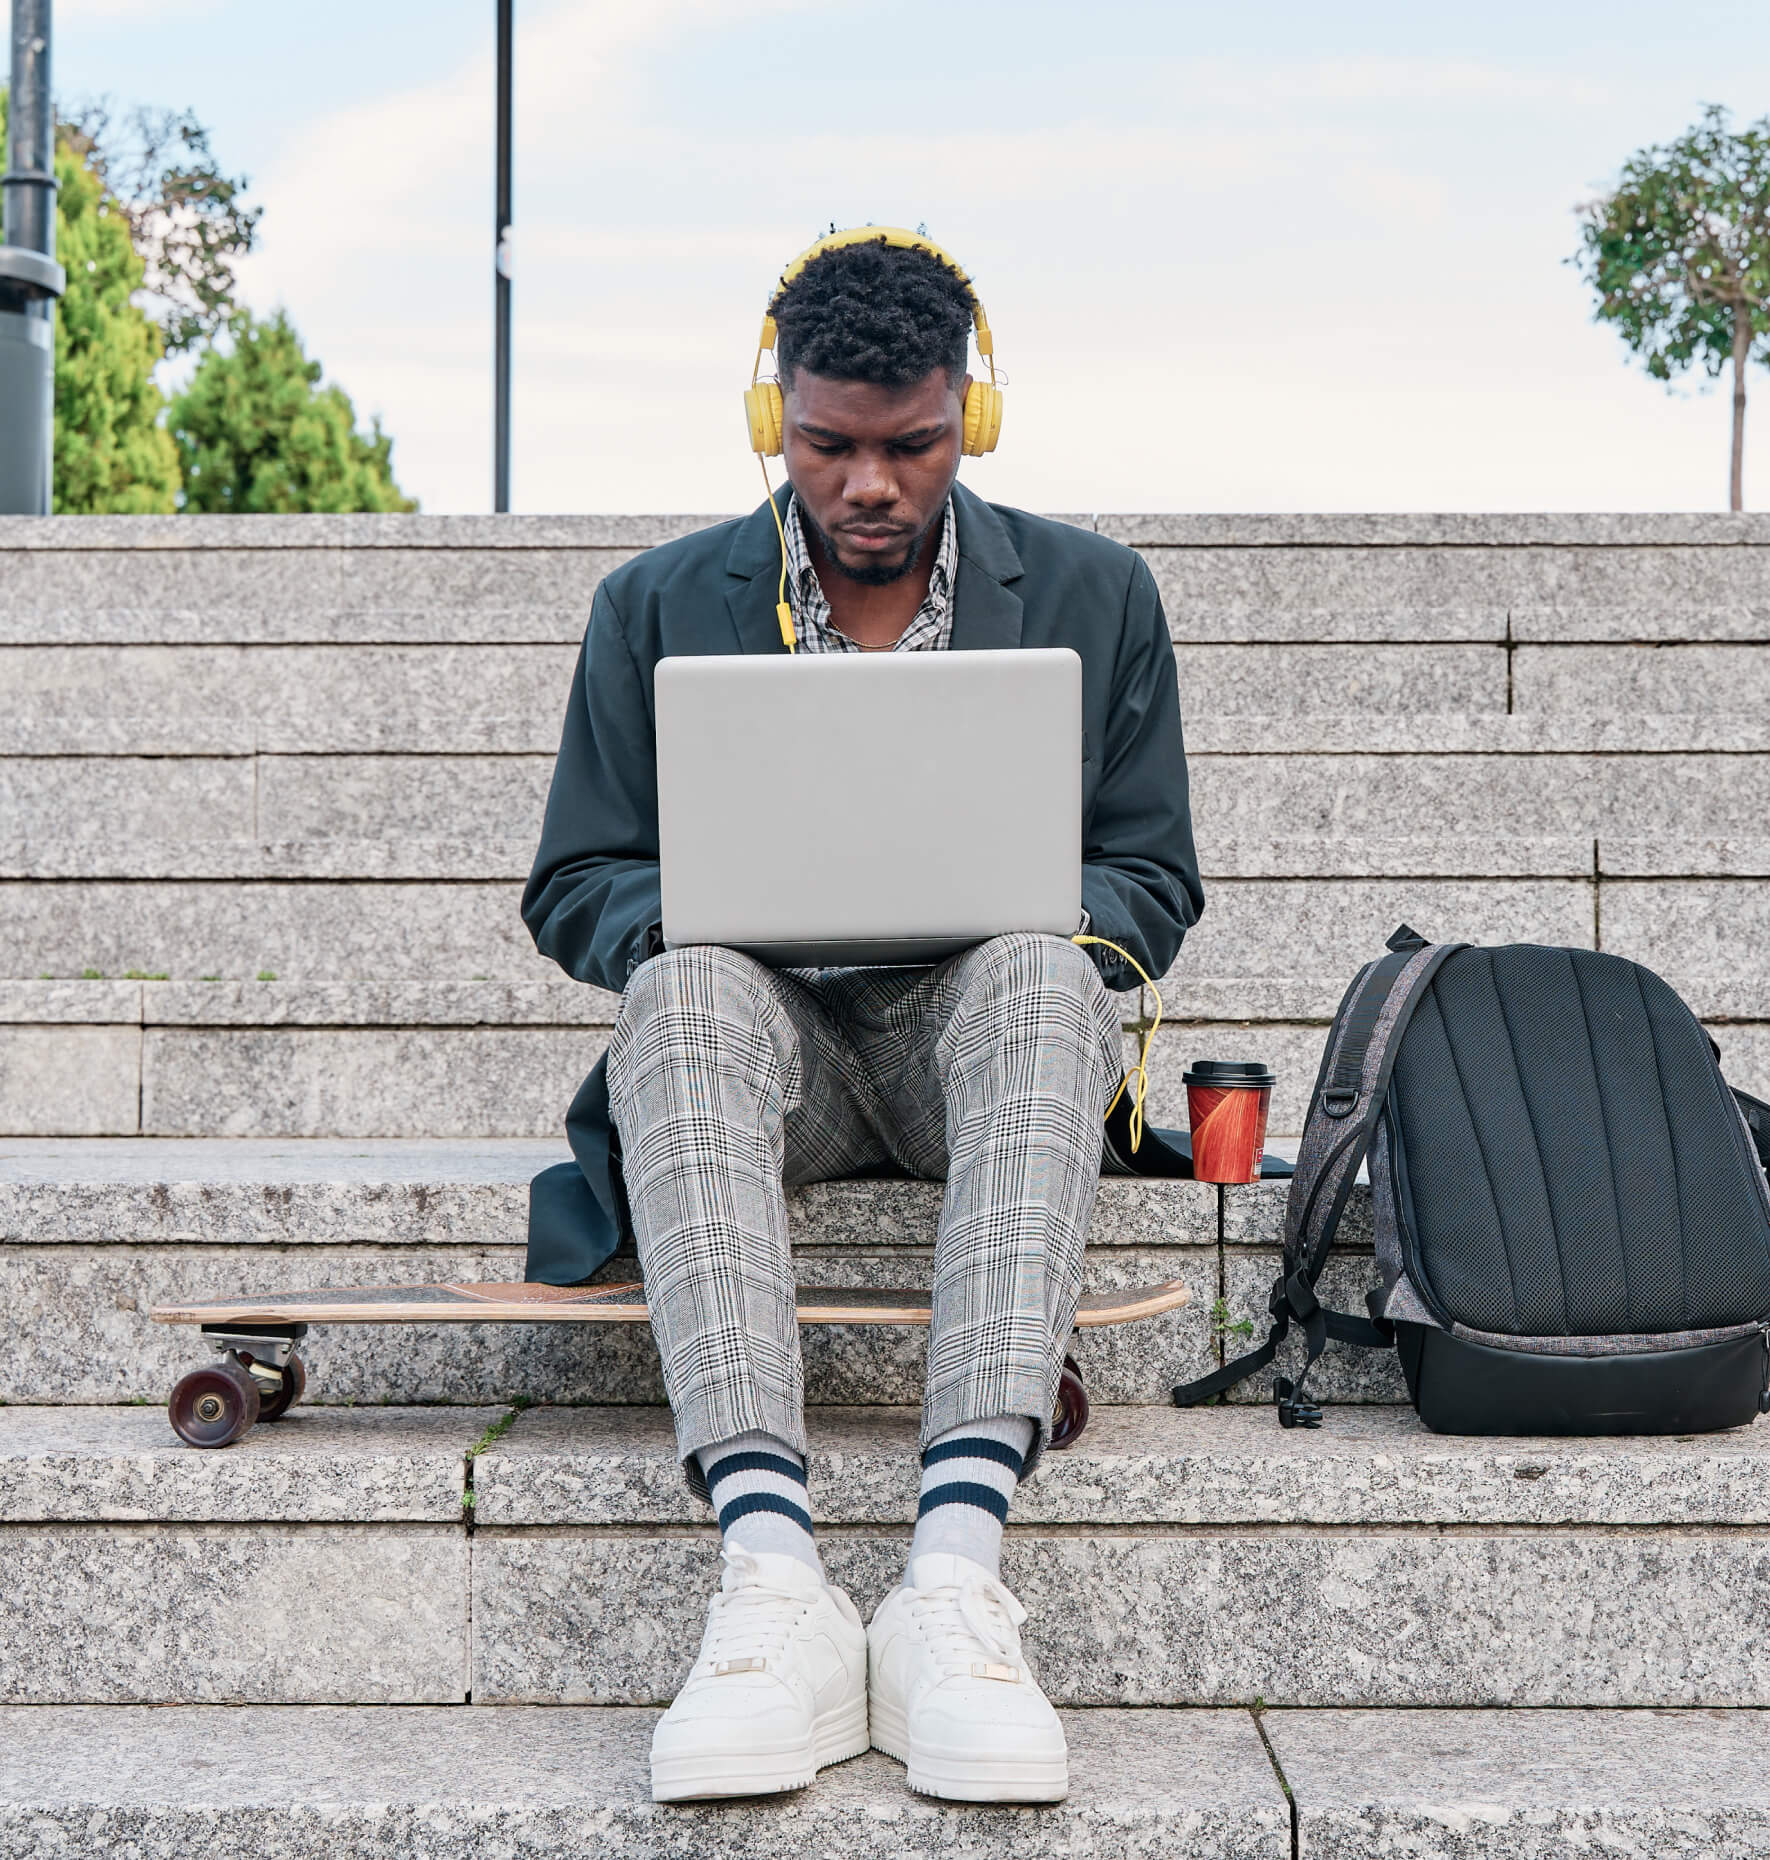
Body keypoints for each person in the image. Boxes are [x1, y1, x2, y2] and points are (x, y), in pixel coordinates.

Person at [521, 228, 1201, 1805]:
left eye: (912, 445)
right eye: (830, 447)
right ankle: (773, 1584)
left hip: (982, 1047)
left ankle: (952, 1576)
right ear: (776, 424)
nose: (872, 486)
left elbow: (1151, 875)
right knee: (684, 990)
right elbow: (575, 881)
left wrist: (1037, 905)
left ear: (975, 417)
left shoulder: (1097, 597)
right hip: (772, 1056)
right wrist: (699, 919)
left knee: (1044, 971)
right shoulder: (654, 604)